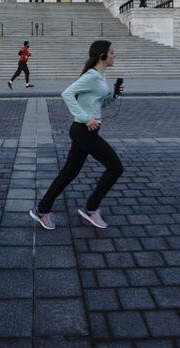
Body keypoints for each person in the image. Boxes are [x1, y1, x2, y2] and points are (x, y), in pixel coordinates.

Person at [29, 40, 124, 230]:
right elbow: (67, 94)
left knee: (69, 173)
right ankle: (91, 208)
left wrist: (113, 95)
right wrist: (85, 116)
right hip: (83, 132)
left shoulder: (99, 76)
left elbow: (99, 105)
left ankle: (42, 210)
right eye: (112, 52)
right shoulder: (91, 76)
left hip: (87, 130)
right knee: (115, 167)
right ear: (102, 55)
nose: (115, 55)